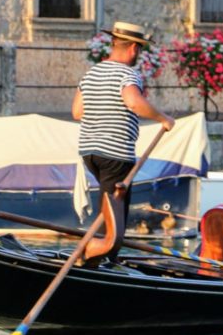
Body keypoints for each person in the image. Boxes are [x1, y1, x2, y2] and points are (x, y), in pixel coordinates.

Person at [72, 20, 174, 216]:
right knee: (114, 213)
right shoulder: (128, 73)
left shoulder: (91, 73)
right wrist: (163, 118)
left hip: (89, 152)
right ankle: (105, 245)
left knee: (108, 204)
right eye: (141, 50)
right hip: (115, 153)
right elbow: (134, 102)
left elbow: (77, 112)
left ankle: (101, 241)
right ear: (134, 47)